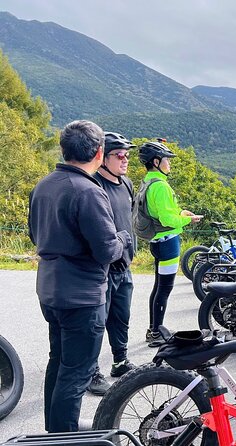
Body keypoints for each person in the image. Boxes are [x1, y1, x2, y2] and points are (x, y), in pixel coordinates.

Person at [28, 120, 132, 432]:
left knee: (58, 361)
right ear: (99, 152)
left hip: (50, 289)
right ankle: (65, 434)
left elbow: (35, 235)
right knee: (77, 371)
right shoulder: (89, 191)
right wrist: (124, 238)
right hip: (82, 296)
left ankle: (56, 428)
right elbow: (106, 250)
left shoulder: (44, 185)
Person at [85, 132, 138, 396]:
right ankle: (91, 373)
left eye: (127, 155)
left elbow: (127, 218)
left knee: (121, 318)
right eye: (119, 155)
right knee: (97, 322)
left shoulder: (126, 183)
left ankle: (120, 361)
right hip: (103, 268)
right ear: (103, 158)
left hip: (124, 265)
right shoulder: (94, 186)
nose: (125, 159)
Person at [138, 140, 202, 347]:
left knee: (158, 286)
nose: (169, 164)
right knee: (164, 288)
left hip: (157, 241)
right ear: (156, 162)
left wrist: (181, 212)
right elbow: (167, 220)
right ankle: (157, 332)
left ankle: (153, 328)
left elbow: (161, 213)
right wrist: (187, 219)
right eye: (166, 160)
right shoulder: (161, 186)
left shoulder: (148, 182)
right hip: (168, 242)